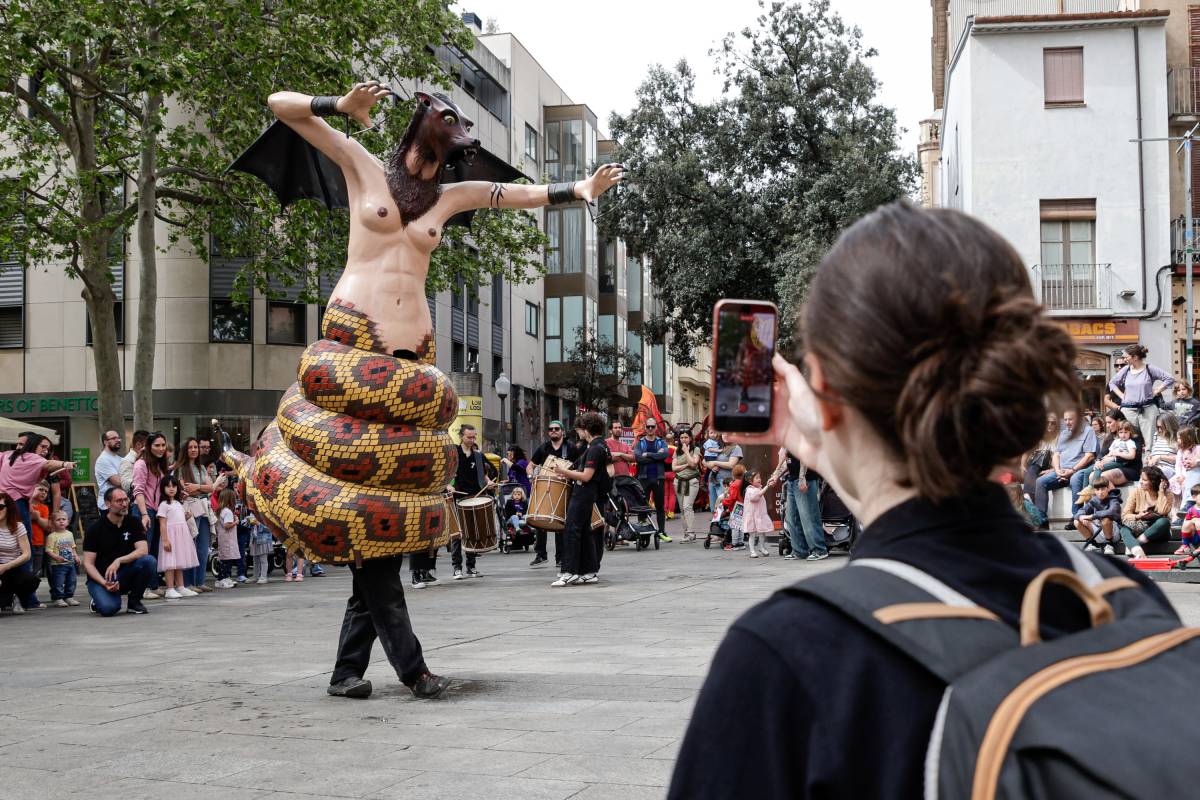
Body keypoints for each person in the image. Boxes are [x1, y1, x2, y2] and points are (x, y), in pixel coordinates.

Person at [667, 202, 1171, 798]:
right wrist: (827, 441)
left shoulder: (789, 655)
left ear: (823, 385)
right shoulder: (1119, 597)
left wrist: (830, 434)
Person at [547, 412, 610, 587]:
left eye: (580, 429)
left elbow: (587, 476)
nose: (578, 432)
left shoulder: (595, 449)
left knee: (571, 530)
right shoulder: (600, 446)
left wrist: (563, 471)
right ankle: (589, 572)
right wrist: (568, 474)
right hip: (590, 493)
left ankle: (569, 572)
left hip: (584, 493)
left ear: (587, 429)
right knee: (585, 532)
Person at [82, 487, 156, 616]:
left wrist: (119, 560)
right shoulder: (95, 529)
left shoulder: (134, 522)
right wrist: (104, 583)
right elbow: (88, 564)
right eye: (119, 501)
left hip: (125, 573)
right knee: (109, 609)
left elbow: (143, 550)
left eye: (126, 500)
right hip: (102, 578)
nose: (124, 504)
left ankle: (134, 602)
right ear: (108, 504)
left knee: (149, 561)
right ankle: (98, 599)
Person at [529, 420, 584, 568]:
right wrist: (531, 476)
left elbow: (580, 467)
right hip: (545, 488)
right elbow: (530, 466)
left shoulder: (571, 448)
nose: (553, 431)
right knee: (540, 518)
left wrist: (569, 474)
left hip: (563, 488)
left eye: (556, 429)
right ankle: (541, 554)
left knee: (560, 522)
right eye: (550, 429)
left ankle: (560, 557)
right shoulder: (544, 448)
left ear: (562, 432)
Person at [1033, 409, 1097, 517]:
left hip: (1078, 470)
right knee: (1040, 482)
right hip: (1061, 471)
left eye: (1070, 419)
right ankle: (1041, 519)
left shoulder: (1088, 431)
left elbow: (1089, 456)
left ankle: (1076, 517)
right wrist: (1058, 470)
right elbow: (1056, 454)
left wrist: (1072, 470)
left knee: (1075, 479)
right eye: (1065, 419)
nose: (1067, 422)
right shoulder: (1063, 433)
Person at [177, 437, 221, 594]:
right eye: (190, 447)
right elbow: (187, 490)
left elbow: (211, 488)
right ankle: (188, 583)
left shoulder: (201, 467)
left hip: (204, 508)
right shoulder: (180, 468)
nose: (194, 450)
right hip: (190, 508)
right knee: (190, 545)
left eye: (196, 447)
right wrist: (202, 488)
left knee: (203, 548)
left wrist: (197, 486)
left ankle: (200, 581)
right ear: (185, 449)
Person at [1110, 343, 1174, 447]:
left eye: (1126, 357)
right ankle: (1130, 457)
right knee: (1127, 439)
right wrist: (1122, 396)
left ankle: (1150, 456)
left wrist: (1157, 390)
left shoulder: (1149, 368)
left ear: (1135, 357)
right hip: (1128, 410)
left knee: (1150, 440)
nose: (1125, 360)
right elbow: (1112, 383)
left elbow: (1169, 379)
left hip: (1147, 409)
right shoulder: (1126, 370)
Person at [449, 423, 491, 580]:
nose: (472, 440)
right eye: (469, 437)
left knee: (472, 532)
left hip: (474, 497)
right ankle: (457, 567)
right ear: (461, 436)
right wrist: (448, 486)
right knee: (458, 533)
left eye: (474, 437)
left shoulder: (478, 456)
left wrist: (488, 482)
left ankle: (471, 566)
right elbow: (446, 473)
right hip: (457, 497)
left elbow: (484, 475)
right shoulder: (454, 453)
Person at [132, 432, 169, 596]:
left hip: (156, 511)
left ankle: (152, 585)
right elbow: (138, 491)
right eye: (157, 445)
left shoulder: (159, 464)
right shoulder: (141, 464)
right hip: (143, 510)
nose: (161, 448)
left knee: (154, 550)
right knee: (143, 551)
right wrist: (144, 514)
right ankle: (142, 588)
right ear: (149, 446)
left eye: (163, 445)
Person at [156, 476, 200, 600]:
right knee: (170, 563)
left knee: (178, 562)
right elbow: (162, 524)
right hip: (170, 537)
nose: (171, 489)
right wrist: (165, 540)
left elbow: (179, 519)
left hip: (180, 537)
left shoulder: (178, 504)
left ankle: (181, 587)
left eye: (174, 486)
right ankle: (170, 588)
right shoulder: (164, 505)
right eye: (168, 486)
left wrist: (186, 517)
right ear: (163, 488)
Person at [1120, 467, 1174, 560]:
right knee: (1124, 529)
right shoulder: (1136, 492)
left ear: (1153, 481)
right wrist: (1138, 516)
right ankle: (1138, 552)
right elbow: (1125, 515)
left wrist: (1161, 491)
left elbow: (1163, 511)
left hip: (1159, 531)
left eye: (1144, 480)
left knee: (1164, 521)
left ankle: (1134, 544)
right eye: (1141, 479)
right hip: (1140, 526)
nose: (1140, 482)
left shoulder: (1168, 494)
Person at [0, 491, 39, 615]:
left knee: (31, 580)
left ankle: (17, 598)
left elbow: (26, 554)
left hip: (12, 567)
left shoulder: (18, 526)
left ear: (9, 509)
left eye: (0, 507)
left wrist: (6, 566)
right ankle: (5, 600)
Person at [635, 418, 671, 542]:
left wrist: (648, 454)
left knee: (660, 506)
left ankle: (661, 532)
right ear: (645, 428)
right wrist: (657, 456)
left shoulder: (661, 442)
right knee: (642, 506)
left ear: (656, 428)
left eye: (652, 426)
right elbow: (639, 458)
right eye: (648, 426)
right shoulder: (640, 443)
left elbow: (665, 455)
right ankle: (642, 531)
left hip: (658, 478)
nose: (650, 429)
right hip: (643, 478)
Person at [1073, 477, 1123, 552]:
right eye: (1097, 490)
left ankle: (1109, 545)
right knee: (1076, 521)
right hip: (1098, 531)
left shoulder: (1114, 499)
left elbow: (1112, 512)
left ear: (1108, 489)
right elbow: (1081, 510)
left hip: (1114, 533)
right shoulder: (1094, 500)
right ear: (1094, 491)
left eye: (1103, 489)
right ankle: (1092, 544)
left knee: (1106, 519)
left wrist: (1091, 516)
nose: (1100, 492)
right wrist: (1081, 517)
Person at [45, 510, 80, 607]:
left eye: (63, 519)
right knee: (58, 582)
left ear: (67, 521)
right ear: (52, 522)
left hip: (70, 563)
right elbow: (48, 550)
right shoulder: (52, 536)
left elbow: (72, 547)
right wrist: (56, 557)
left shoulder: (70, 534)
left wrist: (76, 556)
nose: (61, 521)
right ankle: (58, 598)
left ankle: (69, 596)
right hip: (58, 565)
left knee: (71, 581)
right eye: (58, 520)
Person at [1021, 414, 1059, 500]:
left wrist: (1053, 469)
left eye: (1052, 423)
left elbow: (1060, 456)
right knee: (1032, 469)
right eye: (1047, 422)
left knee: (1040, 479)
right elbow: (1027, 451)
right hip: (1037, 463)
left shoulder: (1060, 436)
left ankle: (1029, 498)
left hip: (1054, 465)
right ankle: (1028, 496)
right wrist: (1022, 465)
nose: (1049, 425)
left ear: (1056, 425)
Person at [673, 430, 702, 541]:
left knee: (687, 507)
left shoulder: (696, 449)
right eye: (681, 437)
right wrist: (686, 465)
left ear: (690, 438)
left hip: (692, 481)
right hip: (678, 481)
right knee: (682, 509)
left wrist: (686, 452)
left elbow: (694, 464)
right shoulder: (676, 451)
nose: (683, 440)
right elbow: (674, 468)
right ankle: (686, 533)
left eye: (686, 437)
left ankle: (690, 533)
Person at [741, 470, 777, 558]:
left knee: (762, 532)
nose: (759, 479)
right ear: (750, 481)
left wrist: (766, 485)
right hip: (752, 516)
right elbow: (755, 497)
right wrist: (767, 486)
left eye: (759, 477)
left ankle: (762, 547)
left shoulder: (758, 488)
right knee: (752, 534)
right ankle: (752, 551)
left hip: (759, 515)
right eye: (757, 478)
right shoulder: (749, 490)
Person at [214, 488, 241, 589]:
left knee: (224, 559)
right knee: (227, 560)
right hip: (228, 539)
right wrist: (236, 522)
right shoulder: (228, 512)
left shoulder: (221, 510)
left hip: (223, 538)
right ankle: (223, 579)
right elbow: (227, 525)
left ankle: (223, 578)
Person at [94, 430, 125, 511]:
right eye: (114, 438)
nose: (117, 440)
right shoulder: (103, 460)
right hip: (108, 507)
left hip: (121, 504)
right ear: (105, 442)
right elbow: (117, 482)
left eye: (118, 438)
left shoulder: (120, 459)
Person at [721, 464, 747, 551]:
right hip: (743, 506)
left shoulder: (734, 484)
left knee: (735, 526)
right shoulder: (744, 483)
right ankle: (741, 543)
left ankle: (734, 544)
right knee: (741, 526)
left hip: (736, 507)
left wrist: (724, 501)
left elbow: (732, 498)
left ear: (734, 473)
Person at [1147, 411, 1180, 481]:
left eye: (1161, 427)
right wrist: (1149, 458)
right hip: (1154, 467)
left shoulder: (1177, 438)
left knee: (1153, 476)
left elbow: (1181, 458)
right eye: (1158, 427)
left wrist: (1160, 457)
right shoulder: (1156, 435)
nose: (1159, 430)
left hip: (1168, 468)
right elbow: (1154, 453)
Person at [119, 430, 149, 495]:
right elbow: (125, 484)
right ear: (138, 444)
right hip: (136, 497)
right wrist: (141, 482)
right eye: (148, 445)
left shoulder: (147, 458)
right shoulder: (127, 460)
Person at [249, 519, 274, 584]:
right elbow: (245, 525)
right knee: (255, 560)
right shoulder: (252, 515)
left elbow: (270, 528)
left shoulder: (266, 515)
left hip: (263, 540)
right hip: (254, 540)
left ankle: (263, 577)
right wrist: (249, 523)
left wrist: (259, 524)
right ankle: (255, 576)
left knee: (263, 560)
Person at [1177, 484, 1200, 554]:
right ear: (1194, 497)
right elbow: (1185, 524)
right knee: (1186, 523)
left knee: (1198, 522)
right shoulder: (1191, 510)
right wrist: (1192, 521)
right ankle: (1185, 545)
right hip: (1195, 536)